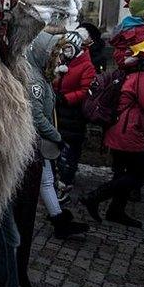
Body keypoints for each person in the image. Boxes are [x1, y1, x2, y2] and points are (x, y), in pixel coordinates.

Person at [83, 34, 144, 227]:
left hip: (120, 128)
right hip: (128, 131)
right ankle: (94, 197)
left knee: (122, 173)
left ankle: (116, 210)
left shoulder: (139, 73)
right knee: (141, 173)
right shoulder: (143, 76)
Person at [29, 33, 89, 239]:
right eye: (55, 55)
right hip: (36, 142)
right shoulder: (35, 80)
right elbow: (37, 116)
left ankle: (58, 219)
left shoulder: (41, 76)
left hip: (40, 142)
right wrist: (56, 136)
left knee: (46, 180)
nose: (59, 59)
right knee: (43, 180)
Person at [54, 30, 98, 190]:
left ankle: (66, 181)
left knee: (70, 151)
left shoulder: (86, 66)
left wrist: (67, 98)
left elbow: (86, 90)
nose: (65, 52)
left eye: (68, 49)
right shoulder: (64, 63)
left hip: (74, 115)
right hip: (60, 113)